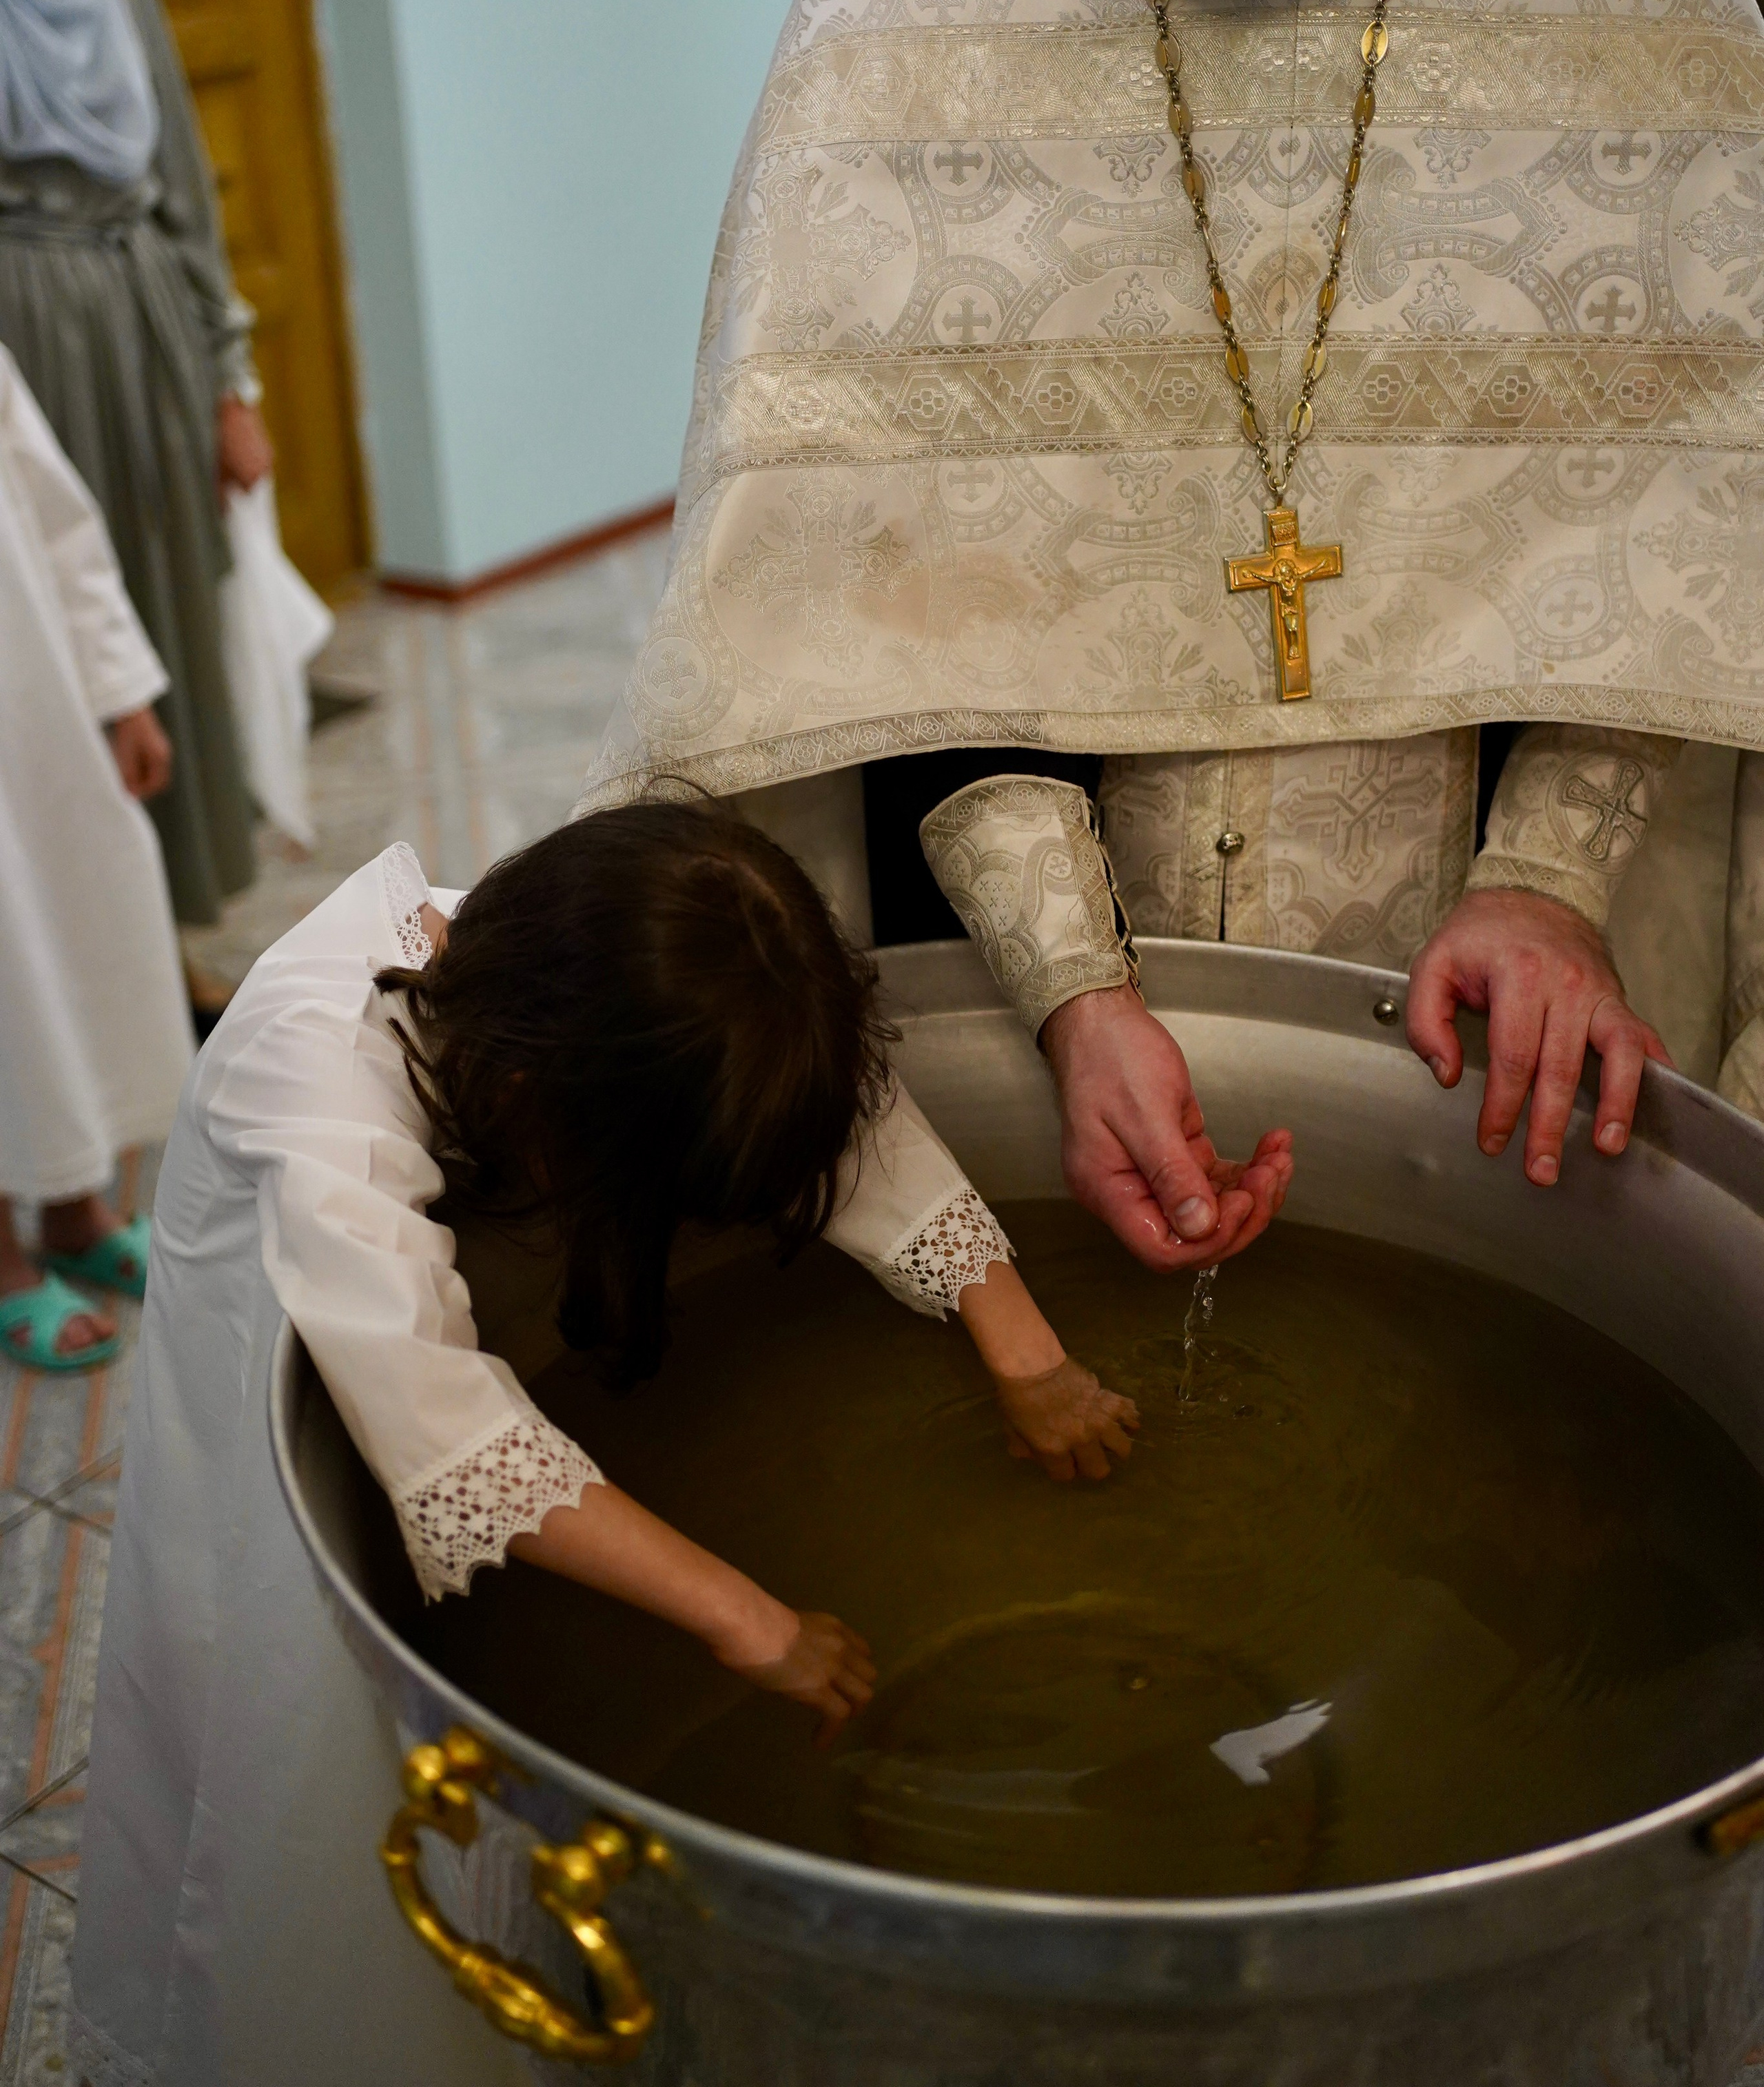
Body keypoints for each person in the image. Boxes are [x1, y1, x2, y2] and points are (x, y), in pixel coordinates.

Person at [583, 0, 1764, 1256]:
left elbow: (1694, 525)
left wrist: (1549, 879)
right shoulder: (910, 20)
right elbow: (880, 595)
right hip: (1031, 1008)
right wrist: (1068, 980)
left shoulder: (1648, 23)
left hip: (1509, 1029)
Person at [72, 802, 1171, 2087]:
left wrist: (1023, 1349)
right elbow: (448, 1425)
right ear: (543, 1110)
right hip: (281, 1377)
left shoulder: (585, 949)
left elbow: (840, 1099)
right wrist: (746, 1617)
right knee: (310, 1786)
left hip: (418, 1288)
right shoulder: (317, 1090)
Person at [0, 0, 269, 936]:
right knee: (57, 653)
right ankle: (94, 952)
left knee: (162, 616)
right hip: (22, 354)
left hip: (146, 330)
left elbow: (183, 190)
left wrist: (229, 380)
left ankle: (174, 928)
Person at [0, 342, 192, 1366]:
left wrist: (121, 689)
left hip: (28, 707)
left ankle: (75, 1210)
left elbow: (58, 518)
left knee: (58, 948)